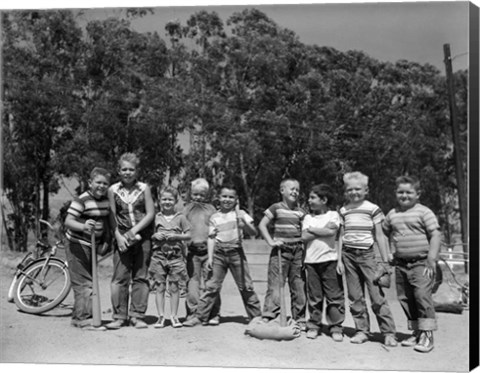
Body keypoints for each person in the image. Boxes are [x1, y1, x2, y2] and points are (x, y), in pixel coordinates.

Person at [183, 186, 262, 326]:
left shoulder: (241, 213)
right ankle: (200, 317)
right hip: (218, 253)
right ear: (218, 199)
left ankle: (256, 316)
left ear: (236, 200)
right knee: (211, 287)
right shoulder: (215, 217)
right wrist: (211, 258)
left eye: (231, 197)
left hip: (236, 252)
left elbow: (254, 232)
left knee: (246, 286)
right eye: (224, 196)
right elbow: (211, 238)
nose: (227, 199)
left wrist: (243, 223)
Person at [337, 171, 397, 347]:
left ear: (366, 190)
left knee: (376, 296)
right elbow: (341, 236)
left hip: (367, 256)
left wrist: (385, 261)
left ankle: (388, 332)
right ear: (345, 191)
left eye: (358, 189)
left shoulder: (373, 208)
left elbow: (379, 235)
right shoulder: (343, 210)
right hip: (348, 256)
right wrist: (340, 260)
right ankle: (362, 330)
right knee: (355, 297)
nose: (354, 192)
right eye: (350, 190)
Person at [382, 175, 441, 353]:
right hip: (401, 264)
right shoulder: (392, 214)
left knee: (422, 296)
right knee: (406, 299)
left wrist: (432, 258)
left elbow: (436, 235)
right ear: (395, 193)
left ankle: (427, 335)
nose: (404, 195)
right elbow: (383, 233)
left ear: (418, 194)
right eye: (401, 192)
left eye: (409, 192)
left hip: (422, 263)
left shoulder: (424, 212)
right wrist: (387, 253)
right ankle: (417, 332)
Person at [106, 153, 155, 329]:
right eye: (124, 169)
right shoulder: (112, 190)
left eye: (131, 169)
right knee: (120, 277)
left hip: (143, 238)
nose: (127, 173)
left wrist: (134, 231)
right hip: (121, 238)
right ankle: (119, 316)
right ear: (119, 171)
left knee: (141, 276)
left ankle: (137, 315)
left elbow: (150, 213)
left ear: (137, 171)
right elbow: (111, 216)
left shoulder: (144, 188)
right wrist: (119, 237)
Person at [64, 167, 111, 331]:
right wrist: (83, 225)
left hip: (92, 245)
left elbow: (106, 220)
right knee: (83, 283)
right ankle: (81, 319)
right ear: (90, 183)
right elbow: (68, 221)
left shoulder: (106, 200)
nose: (102, 186)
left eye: (105, 183)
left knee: (91, 282)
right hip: (76, 244)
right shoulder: (82, 200)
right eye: (98, 182)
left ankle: (88, 316)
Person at [258, 178, 307, 328]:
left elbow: (305, 232)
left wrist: (304, 252)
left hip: (297, 252)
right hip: (280, 251)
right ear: (282, 191)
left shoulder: (300, 212)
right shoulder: (276, 207)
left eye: (297, 190)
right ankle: (269, 315)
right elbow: (262, 225)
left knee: (298, 286)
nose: (295, 192)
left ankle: (299, 318)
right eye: (291, 188)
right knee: (275, 285)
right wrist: (271, 242)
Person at [302, 184, 345, 341]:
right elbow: (304, 237)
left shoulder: (333, 215)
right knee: (314, 297)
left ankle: (336, 326)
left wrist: (312, 230)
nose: (309, 200)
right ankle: (314, 325)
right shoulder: (307, 218)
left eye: (313, 198)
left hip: (330, 261)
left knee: (334, 296)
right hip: (311, 262)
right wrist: (320, 230)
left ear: (324, 200)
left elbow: (331, 232)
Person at [148, 186, 191, 328]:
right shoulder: (156, 217)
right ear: (160, 200)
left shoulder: (181, 217)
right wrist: (155, 235)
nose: (167, 202)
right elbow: (149, 235)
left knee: (174, 287)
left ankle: (174, 316)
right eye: (164, 199)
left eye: (170, 199)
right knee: (159, 287)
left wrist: (177, 236)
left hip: (175, 257)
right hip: (158, 256)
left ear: (176, 200)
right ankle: (161, 316)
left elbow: (189, 234)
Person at [183, 178, 221, 324]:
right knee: (192, 283)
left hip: (209, 252)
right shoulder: (186, 209)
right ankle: (192, 312)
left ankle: (213, 313)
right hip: (192, 252)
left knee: (211, 283)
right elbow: (181, 227)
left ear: (207, 195)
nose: (198, 197)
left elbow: (217, 227)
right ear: (191, 194)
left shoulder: (211, 210)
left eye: (201, 195)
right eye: (195, 194)